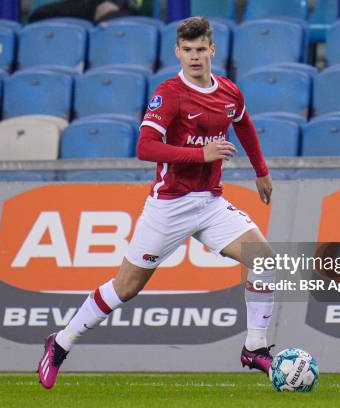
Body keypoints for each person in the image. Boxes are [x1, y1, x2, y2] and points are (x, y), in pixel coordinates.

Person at [38, 16, 278, 388]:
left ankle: (255, 347)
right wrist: (202, 156)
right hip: (170, 205)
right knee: (126, 287)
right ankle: (62, 342)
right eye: (188, 50)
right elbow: (144, 147)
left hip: (211, 203)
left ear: (212, 50)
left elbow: (243, 123)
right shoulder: (169, 94)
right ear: (177, 52)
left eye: (201, 49)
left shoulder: (229, 92)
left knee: (266, 259)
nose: (195, 57)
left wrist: (261, 171)